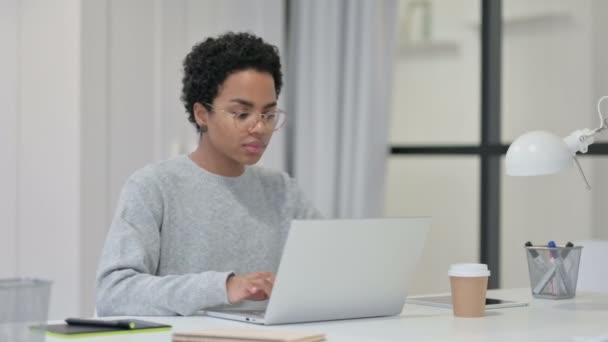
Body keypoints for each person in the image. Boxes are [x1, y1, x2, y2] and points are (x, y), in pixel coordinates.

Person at [95, 32, 321, 316]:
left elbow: (330, 270)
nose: (260, 127)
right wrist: (222, 287)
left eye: (269, 114)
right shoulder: (153, 187)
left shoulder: (283, 191)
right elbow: (113, 293)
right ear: (202, 114)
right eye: (242, 114)